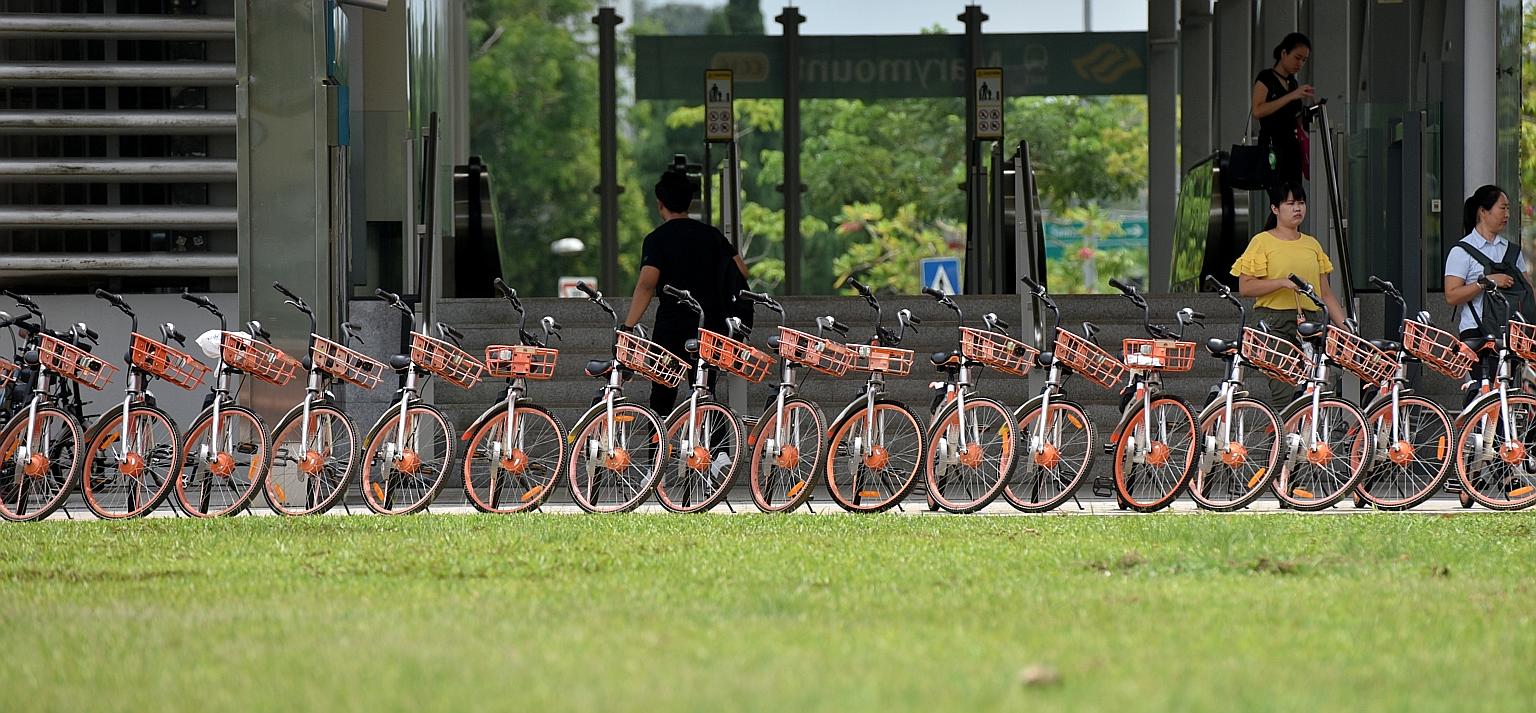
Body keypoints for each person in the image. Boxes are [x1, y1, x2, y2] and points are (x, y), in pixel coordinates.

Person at [622, 168, 750, 416]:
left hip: (671, 329)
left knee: (662, 396)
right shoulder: (711, 235)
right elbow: (742, 271)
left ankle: (658, 452)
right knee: (705, 391)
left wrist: (628, 326)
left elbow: (648, 283)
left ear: (660, 204)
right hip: (709, 326)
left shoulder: (657, 239)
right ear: (689, 202)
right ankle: (714, 451)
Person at [1230, 181, 1347, 407]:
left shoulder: (1312, 244)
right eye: (1290, 203)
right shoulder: (1262, 241)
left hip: (1312, 323)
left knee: (1313, 390)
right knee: (1285, 392)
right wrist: (1282, 283)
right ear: (1275, 208)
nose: (1297, 209)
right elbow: (1246, 287)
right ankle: (1283, 439)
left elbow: (1326, 293)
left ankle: (1304, 440)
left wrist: (1346, 329)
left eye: (1301, 203)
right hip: (1274, 322)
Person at [1443, 185, 1530, 404]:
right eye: (1502, 208)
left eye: (1508, 209)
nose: (1507, 215)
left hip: (1509, 333)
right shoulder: (1462, 251)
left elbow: (1528, 291)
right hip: (1476, 334)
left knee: (1506, 396)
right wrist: (1486, 282)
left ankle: (1503, 438)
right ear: (1483, 211)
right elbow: (1451, 296)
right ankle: (1476, 436)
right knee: (1483, 397)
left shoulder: (1512, 251)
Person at [1251, 32, 1313, 187]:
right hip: (1272, 148)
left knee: (1294, 197)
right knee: (1281, 198)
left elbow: (1295, 117)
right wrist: (1291, 96)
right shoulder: (1266, 78)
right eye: (1297, 58)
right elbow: (1257, 110)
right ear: (1284, 53)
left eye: (1304, 60)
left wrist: (1310, 109)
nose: (1300, 64)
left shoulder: (1292, 83)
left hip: (1292, 149)